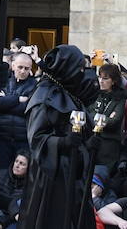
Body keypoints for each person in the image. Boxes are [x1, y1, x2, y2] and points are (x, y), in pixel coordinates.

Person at [18, 44, 98, 229]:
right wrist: (63, 142)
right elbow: (36, 138)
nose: (81, 72)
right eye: (78, 67)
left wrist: (89, 141)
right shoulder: (44, 95)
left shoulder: (69, 93)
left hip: (74, 172)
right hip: (52, 176)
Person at [0, 51, 37, 171]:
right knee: (2, 172)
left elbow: (27, 108)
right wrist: (18, 99)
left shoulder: (34, 85)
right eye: (20, 67)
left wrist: (7, 101)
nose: (23, 71)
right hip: (2, 136)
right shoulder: (3, 82)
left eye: (26, 68)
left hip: (22, 138)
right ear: (13, 65)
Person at [87, 63, 127, 180]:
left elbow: (114, 121)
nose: (101, 81)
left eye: (105, 78)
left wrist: (96, 117)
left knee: (101, 178)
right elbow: (87, 112)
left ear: (114, 81)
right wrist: (103, 118)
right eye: (100, 77)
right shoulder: (95, 94)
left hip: (109, 146)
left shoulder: (119, 98)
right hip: (92, 140)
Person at [0, 152, 29, 229]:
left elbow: (15, 208)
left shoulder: (29, 187)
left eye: (22, 164)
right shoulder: (1, 175)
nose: (17, 165)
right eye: (16, 161)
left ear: (28, 168)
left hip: (11, 220)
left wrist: (1, 224)